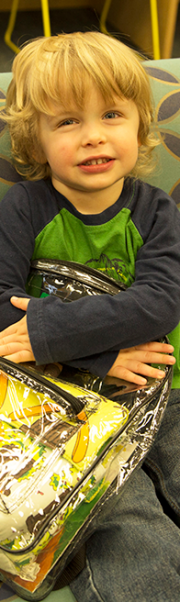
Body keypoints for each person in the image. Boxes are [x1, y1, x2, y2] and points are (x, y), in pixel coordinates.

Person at [0, 32, 180, 601]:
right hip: (63, 400)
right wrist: (102, 352)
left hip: (163, 389)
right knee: (123, 520)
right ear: (36, 139)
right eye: (68, 122)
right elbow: (2, 310)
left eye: (110, 114)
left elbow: (161, 300)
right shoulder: (23, 208)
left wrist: (51, 328)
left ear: (139, 125)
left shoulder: (156, 211)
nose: (94, 135)